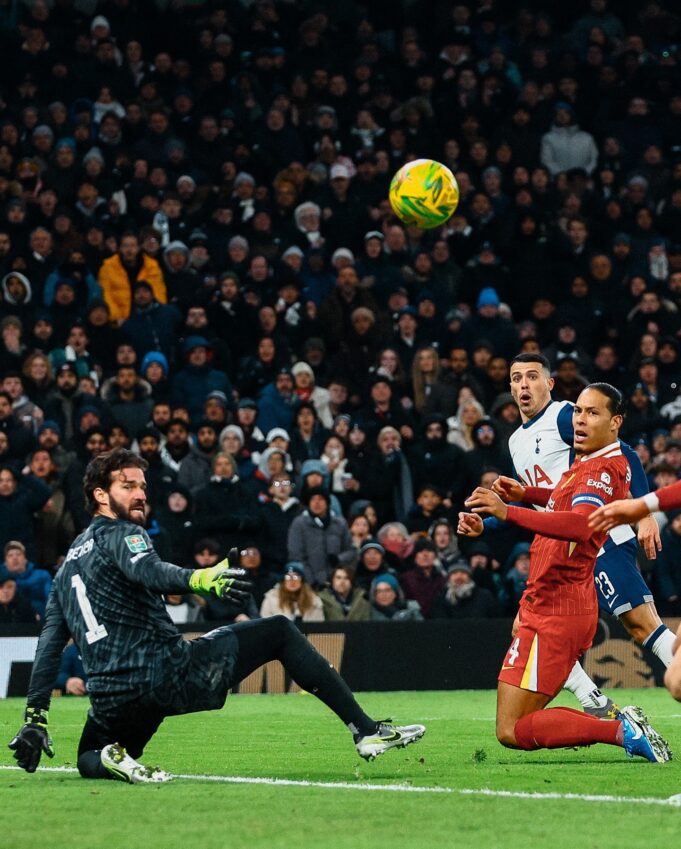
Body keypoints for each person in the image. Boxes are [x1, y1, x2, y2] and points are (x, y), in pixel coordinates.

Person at [8, 448, 425, 782]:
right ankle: (365, 731)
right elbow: (148, 571)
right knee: (279, 630)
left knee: (87, 755)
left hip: (111, 699)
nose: (141, 494)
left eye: (143, 486)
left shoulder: (64, 570)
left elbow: (48, 644)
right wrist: (200, 579)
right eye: (128, 485)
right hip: (164, 673)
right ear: (101, 495)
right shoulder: (124, 533)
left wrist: (35, 716)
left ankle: (111, 758)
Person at [459, 384, 670, 762]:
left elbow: (579, 525)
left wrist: (508, 511)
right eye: (578, 412)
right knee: (511, 726)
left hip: (557, 609)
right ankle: (612, 719)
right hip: (551, 602)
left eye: (592, 413)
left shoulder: (601, 468)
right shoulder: (586, 464)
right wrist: (526, 495)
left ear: (615, 422)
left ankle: (621, 730)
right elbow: (562, 498)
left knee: (511, 729)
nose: (580, 420)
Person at [259, 561, 324, 623]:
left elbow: (318, 628)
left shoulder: (314, 601)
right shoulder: (271, 599)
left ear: (302, 581)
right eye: (288, 577)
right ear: (283, 581)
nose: (292, 581)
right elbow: (265, 626)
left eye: (296, 577)